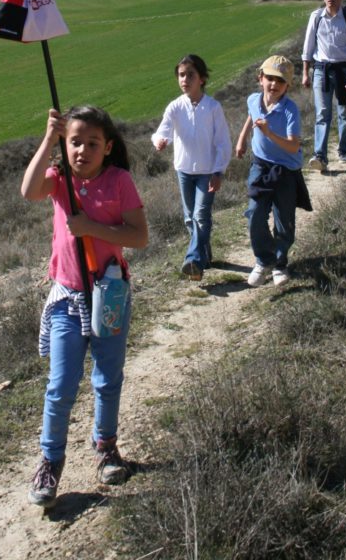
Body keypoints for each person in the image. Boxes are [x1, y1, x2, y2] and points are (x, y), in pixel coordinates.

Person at [21, 105, 148, 508]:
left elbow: (139, 236)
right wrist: (48, 139)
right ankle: (50, 463)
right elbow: (28, 190)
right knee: (60, 386)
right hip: (67, 297)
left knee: (108, 378)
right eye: (75, 142)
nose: (82, 150)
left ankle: (106, 447)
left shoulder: (119, 181)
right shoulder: (59, 180)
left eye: (93, 143)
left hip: (109, 295)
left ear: (108, 147)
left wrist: (92, 228)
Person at [151, 54, 232, 280]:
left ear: (202, 79)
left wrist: (218, 171)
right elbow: (162, 130)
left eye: (190, 75)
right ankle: (204, 255)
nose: (184, 79)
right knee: (189, 218)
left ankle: (193, 260)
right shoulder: (175, 107)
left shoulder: (213, 108)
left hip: (207, 172)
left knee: (200, 215)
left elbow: (223, 142)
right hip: (184, 171)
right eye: (181, 75)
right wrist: (159, 140)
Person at [235, 55, 311, 287]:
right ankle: (263, 260)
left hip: (286, 169)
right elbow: (251, 116)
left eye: (280, 81)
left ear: (287, 85)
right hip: (260, 164)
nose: (274, 85)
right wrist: (242, 139)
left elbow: (293, 145)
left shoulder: (290, 110)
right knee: (255, 214)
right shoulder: (253, 100)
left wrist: (269, 134)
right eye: (270, 78)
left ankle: (280, 264)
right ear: (260, 78)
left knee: (284, 221)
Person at [301, 0, 346, 171]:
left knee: (345, 113)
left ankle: (343, 149)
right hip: (321, 69)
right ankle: (320, 155)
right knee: (322, 113)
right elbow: (308, 46)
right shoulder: (316, 17)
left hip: (345, 70)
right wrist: (305, 72)